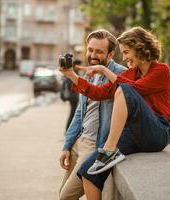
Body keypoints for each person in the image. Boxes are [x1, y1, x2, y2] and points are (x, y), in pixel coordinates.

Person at [60, 26, 170, 200]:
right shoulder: (131, 73)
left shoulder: (161, 70)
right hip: (134, 133)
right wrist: (71, 75)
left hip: (158, 132)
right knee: (88, 172)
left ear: (140, 48)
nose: (125, 57)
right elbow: (99, 93)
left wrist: (105, 70)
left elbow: (133, 89)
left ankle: (109, 150)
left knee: (123, 90)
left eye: (127, 52)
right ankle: (107, 152)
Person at [58, 29, 126, 200]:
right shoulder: (88, 74)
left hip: (94, 146)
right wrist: (67, 145)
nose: (93, 55)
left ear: (111, 54)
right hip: (78, 141)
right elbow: (80, 112)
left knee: (66, 196)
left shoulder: (120, 74)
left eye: (99, 51)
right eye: (90, 49)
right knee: (62, 194)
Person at [60, 60, 81, 131]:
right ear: (75, 65)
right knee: (72, 114)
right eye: (78, 65)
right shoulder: (73, 73)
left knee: (73, 113)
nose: (79, 67)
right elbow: (71, 85)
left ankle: (68, 129)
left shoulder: (73, 73)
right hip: (73, 97)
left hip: (73, 96)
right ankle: (68, 129)